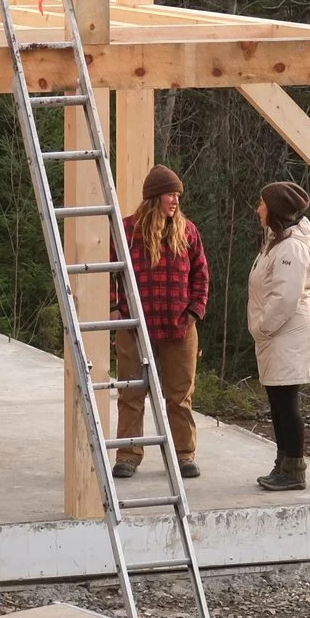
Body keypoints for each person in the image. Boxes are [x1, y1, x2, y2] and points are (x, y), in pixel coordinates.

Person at [110, 166, 211, 482]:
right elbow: (113, 272)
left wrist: (194, 312)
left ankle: (184, 455)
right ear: (155, 197)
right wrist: (116, 309)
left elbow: (201, 276)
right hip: (134, 327)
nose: (176, 201)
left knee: (179, 396)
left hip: (179, 328)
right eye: (171, 194)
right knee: (131, 393)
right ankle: (128, 455)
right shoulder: (127, 230)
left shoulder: (188, 231)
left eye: (178, 195)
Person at [246, 180, 310, 491]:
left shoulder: (291, 247)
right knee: (278, 403)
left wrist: (263, 326)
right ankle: (284, 462)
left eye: (263, 203)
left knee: (287, 404)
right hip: (277, 337)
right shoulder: (276, 241)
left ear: (275, 210)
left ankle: (294, 469)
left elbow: (285, 297)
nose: (258, 208)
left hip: (286, 335)